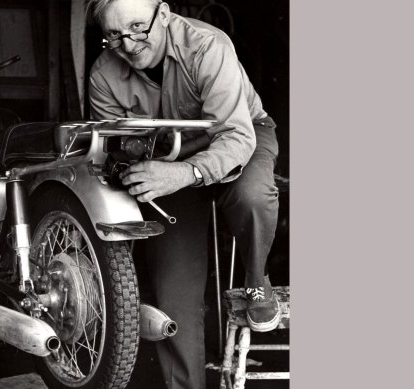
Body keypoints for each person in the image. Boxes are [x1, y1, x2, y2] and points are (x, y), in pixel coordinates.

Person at [86, 0, 281, 387]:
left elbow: (237, 136)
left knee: (252, 195)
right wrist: (133, 159)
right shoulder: (102, 74)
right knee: (172, 296)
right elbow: (112, 145)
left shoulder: (207, 45)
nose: (128, 43)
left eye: (138, 27)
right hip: (165, 157)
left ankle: (257, 275)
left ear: (165, 13)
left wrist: (186, 172)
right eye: (113, 35)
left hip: (239, 135)